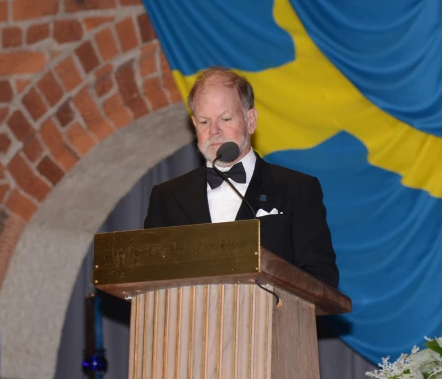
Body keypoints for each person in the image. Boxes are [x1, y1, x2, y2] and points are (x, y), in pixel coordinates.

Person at [144, 66, 339, 288]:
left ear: (251, 121)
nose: (214, 131)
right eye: (204, 122)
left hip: (271, 320)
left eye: (225, 119)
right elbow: (150, 279)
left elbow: (321, 278)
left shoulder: (296, 189)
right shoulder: (167, 197)